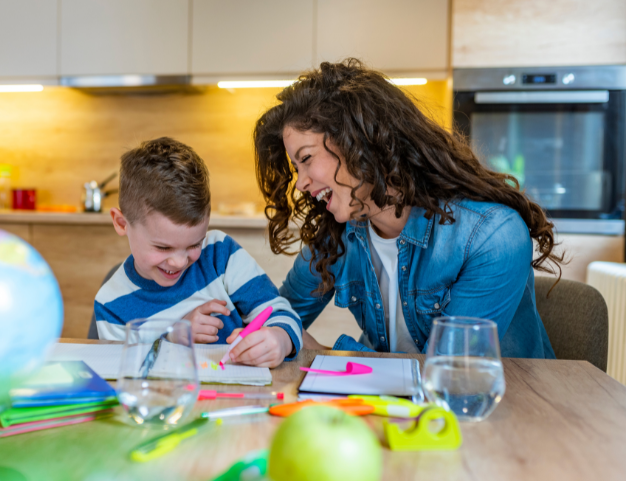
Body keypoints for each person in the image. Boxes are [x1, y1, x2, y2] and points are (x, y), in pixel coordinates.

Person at [253, 58, 560, 358]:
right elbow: (275, 317)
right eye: (296, 168)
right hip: (390, 406)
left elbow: (447, 375)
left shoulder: (491, 236)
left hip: (501, 407)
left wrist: (323, 353)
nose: (300, 184)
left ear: (357, 142)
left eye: (306, 159)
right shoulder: (337, 235)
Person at [94, 137, 302, 368]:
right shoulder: (110, 304)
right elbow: (125, 373)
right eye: (163, 247)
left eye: (194, 244)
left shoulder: (219, 254)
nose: (180, 261)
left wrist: (280, 340)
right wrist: (175, 336)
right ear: (122, 223)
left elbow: (281, 313)